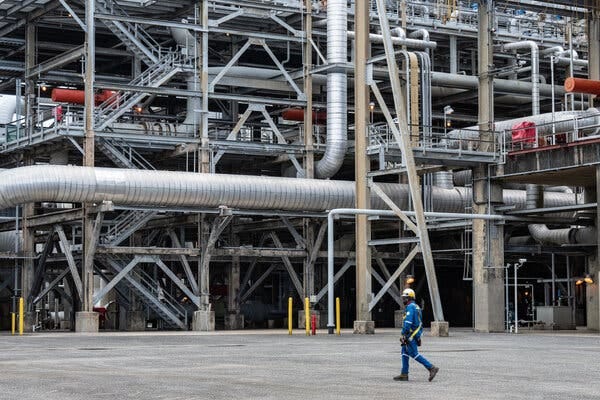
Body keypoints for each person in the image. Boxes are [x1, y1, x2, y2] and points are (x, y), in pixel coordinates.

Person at [393, 288, 439, 382]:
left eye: (405, 298)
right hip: (414, 334)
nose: (403, 300)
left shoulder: (410, 307)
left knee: (414, 353)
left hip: (410, 334)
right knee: (404, 352)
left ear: (410, 298)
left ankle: (431, 367)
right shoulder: (416, 307)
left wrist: (403, 334)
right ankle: (404, 374)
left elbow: (408, 322)